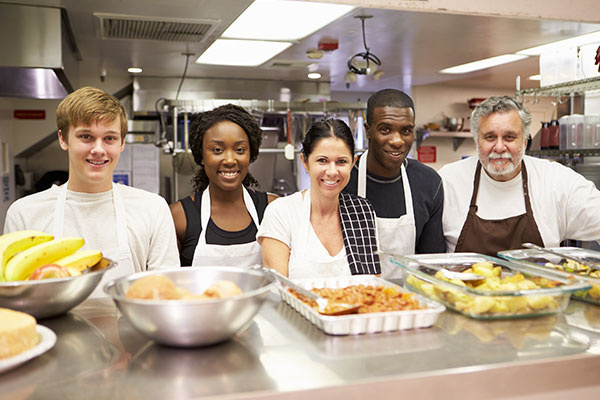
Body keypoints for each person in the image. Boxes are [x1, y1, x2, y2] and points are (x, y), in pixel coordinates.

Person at [4, 86, 180, 294]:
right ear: (63, 139)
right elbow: (15, 294)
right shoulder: (25, 213)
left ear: (122, 142)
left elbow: (165, 290)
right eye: (86, 137)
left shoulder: (152, 208)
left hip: (132, 325)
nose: (98, 149)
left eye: (110, 138)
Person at [439, 96, 600, 255]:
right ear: (476, 141)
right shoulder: (447, 182)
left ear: (524, 141)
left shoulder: (556, 181)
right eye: (490, 137)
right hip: (463, 281)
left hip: (542, 281)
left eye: (509, 137)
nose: (500, 147)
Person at [258, 119, 380, 278]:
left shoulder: (362, 211)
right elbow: (279, 286)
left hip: (356, 303)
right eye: (322, 160)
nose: (332, 171)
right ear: (305, 162)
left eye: (341, 161)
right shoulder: (281, 212)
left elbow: (373, 285)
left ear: (352, 163)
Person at [343, 89, 445, 274]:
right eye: (385, 129)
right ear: (368, 131)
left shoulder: (428, 183)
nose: (397, 141)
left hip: (410, 297)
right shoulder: (343, 181)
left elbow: (432, 263)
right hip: (353, 296)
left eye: (406, 131)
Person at [169, 104, 277, 267]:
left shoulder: (273, 209)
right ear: (202, 156)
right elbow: (168, 284)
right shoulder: (178, 216)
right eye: (217, 150)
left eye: (240, 150)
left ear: (251, 154)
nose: (230, 160)